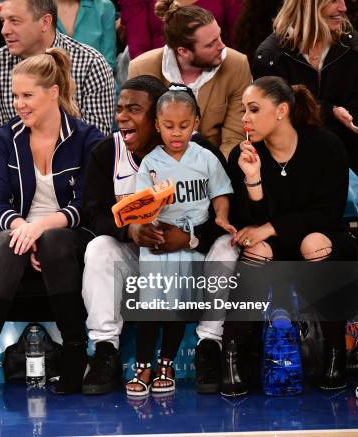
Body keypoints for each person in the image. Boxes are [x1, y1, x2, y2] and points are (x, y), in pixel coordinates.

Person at [0, 48, 104, 398]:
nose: (18, 104)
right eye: (15, 95)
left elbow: (86, 204)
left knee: (55, 241)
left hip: (66, 233)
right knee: (13, 246)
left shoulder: (88, 139)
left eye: (27, 95)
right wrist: (23, 228)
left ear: (53, 93)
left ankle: (74, 352)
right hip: (11, 230)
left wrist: (40, 230)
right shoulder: (3, 138)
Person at [80, 75, 233, 395]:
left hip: (192, 257)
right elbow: (94, 214)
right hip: (141, 256)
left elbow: (229, 215)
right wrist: (129, 228)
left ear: (157, 118)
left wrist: (190, 238)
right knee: (99, 249)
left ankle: (209, 346)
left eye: (133, 109)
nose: (122, 116)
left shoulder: (201, 152)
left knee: (227, 248)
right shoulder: (107, 153)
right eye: (119, 108)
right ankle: (105, 350)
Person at [222, 76, 355, 397]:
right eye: (243, 111)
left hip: (322, 236)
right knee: (257, 249)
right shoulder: (244, 155)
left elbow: (328, 213)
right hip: (274, 245)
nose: (245, 119)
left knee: (313, 244)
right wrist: (253, 180)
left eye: (254, 110)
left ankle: (335, 353)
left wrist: (271, 227)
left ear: (281, 110)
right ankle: (232, 357)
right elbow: (247, 223)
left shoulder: (326, 146)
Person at [125, 85, 234, 396]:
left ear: (196, 123)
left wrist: (222, 216)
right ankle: (143, 365)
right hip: (159, 239)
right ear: (157, 125)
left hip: (190, 238)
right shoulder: (150, 163)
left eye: (184, 126)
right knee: (152, 305)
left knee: (177, 305)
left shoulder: (206, 157)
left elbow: (221, 193)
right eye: (169, 126)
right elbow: (141, 206)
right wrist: (150, 213)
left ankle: (166, 363)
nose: (176, 133)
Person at [0, 0, 114, 147]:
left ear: (45, 22)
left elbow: (96, 144)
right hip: (12, 167)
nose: (4, 30)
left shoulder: (91, 64)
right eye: (3, 21)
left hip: (76, 168)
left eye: (14, 21)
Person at [253, 0, 358, 176]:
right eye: (334, 1)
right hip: (291, 168)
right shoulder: (270, 58)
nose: (343, 7)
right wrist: (331, 112)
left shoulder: (356, 50)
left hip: (347, 166)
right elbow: (278, 115)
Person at [128, 0, 251, 158]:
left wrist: (212, 174)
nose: (222, 46)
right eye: (210, 44)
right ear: (183, 51)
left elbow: (234, 138)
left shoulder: (237, 65)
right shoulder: (141, 69)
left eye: (219, 36)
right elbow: (140, 138)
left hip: (216, 165)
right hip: (158, 168)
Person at [56, 0, 117, 71]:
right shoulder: (41, 7)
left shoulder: (104, 7)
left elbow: (108, 64)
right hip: (48, 80)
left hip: (96, 79)